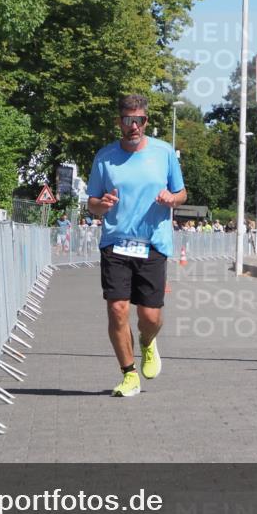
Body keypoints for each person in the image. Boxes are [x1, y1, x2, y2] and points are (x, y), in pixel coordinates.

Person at [86, 94, 186, 398]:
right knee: (117, 309)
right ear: (120, 122)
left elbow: (181, 193)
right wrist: (101, 205)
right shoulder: (104, 157)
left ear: (146, 121)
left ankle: (147, 342)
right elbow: (91, 203)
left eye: (139, 120)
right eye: (128, 120)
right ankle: (129, 374)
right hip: (116, 242)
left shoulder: (164, 152)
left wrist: (172, 199)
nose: (134, 126)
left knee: (150, 317)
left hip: (152, 243)